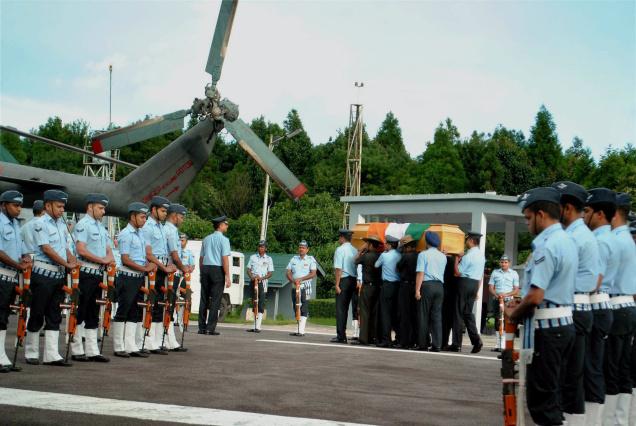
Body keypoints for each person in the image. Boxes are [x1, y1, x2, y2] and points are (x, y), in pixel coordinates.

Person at [506, 187, 577, 426]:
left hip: (548, 328)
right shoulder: (567, 240)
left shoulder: (547, 245)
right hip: (564, 324)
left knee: (542, 403)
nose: (527, 224)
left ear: (541, 215)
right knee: (553, 398)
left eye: (528, 218)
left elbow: (536, 296)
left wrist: (514, 313)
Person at [551, 181, 600, 424]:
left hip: (571, 309)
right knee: (572, 376)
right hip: (580, 308)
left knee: (566, 379)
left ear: (567, 207)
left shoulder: (572, 237)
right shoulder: (582, 235)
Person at [25, 189, 79, 367]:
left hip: (58, 275)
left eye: (63, 207)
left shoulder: (61, 225)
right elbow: (47, 248)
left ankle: (51, 354)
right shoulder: (41, 223)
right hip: (43, 274)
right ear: (47, 205)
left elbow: (64, 247)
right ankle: (31, 352)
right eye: (59, 206)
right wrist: (66, 263)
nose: (62, 210)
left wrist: (71, 258)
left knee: (54, 314)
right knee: (38, 312)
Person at [582, 187, 619, 423]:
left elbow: (593, 281)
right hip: (603, 305)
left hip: (595, 305)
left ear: (600, 214)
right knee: (595, 367)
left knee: (590, 370)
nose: (584, 216)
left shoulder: (599, 240)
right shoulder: (611, 237)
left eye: (587, 211)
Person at [602, 192, 636, 425]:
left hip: (615, 305)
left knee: (610, 368)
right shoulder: (628, 241)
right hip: (628, 304)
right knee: (624, 367)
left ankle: (611, 421)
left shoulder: (614, 240)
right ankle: (623, 420)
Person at [70, 193, 114, 363]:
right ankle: (76, 348)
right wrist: (102, 259)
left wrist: (108, 257)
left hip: (98, 273)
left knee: (93, 312)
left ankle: (92, 350)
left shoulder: (101, 227)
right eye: (100, 208)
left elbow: (109, 248)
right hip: (86, 271)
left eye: (104, 208)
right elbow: (81, 249)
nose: (103, 212)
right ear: (90, 207)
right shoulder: (83, 225)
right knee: (81, 309)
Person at [112, 202, 155, 358]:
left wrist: (148, 265)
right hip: (127, 276)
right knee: (123, 310)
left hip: (137, 277)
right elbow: (125, 259)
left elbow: (143, 256)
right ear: (133, 216)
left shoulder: (141, 234)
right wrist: (144, 268)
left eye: (145, 217)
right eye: (142, 217)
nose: (144, 220)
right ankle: (118, 346)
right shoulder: (125, 234)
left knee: (134, 312)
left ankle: (130, 346)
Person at [0, 191, 31, 372]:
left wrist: (26, 256)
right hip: (2, 273)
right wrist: (18, 265)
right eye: (15, 205)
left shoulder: (16, 226)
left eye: (20, 206)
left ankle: (2, 356)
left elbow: (22, 249)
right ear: (4, 205)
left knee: (3, 317)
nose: (19, 209)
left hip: (10, 277)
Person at [141, 196, 176, 354]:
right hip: (154, 268)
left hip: (162, 267)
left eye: (166, 211)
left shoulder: (161, 227)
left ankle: (155, 340)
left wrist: (168, 266)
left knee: (159, 305)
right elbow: (149, 254)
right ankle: (147, 339)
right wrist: (164, 267)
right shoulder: (147, 226)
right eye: (162, 210)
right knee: (150, 303)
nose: (164, 214)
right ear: (153, 210)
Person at [449, 231, 485, 353]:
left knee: (458, 313)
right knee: (468, 313)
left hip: (464, 283)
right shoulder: (481, 256)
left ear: (471, 241)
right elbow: (481, 276)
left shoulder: (468, 256)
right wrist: (477, 290)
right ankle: (476, 341)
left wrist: (457, 259)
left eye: (467, 240)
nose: (466, 242)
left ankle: (456, 344)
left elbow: (457, 272)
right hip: (474, 284)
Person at [414, 231, 447, 352]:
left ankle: (423, 344)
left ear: (427, 242)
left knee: (423, 315)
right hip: (439, 287)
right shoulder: (443, 256)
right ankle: (437, 344)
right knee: (437, 317)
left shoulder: (423, 255)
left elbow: (420, 273)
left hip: (427, 286)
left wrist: (417, 290)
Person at [162, 203, 189, 352]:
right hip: (171, 272)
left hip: (173, 272)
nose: (182, 219)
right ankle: (167, 339)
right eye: (181, 216)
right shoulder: (171, 231)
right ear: (174, 216)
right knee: (168, 306)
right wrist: (184, 268)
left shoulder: (170, 230)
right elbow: (174, 255)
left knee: (170, 306)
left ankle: (170, 339)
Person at [199, 215, 231, 335]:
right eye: (225, 224)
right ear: (221, 225)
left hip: (206, 268)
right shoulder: (224, 240)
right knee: (216, 299)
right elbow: (224, 259)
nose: (227, 226)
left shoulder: (206, 239)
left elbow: (201, 257)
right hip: (217, 269)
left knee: (204, 298)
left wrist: (201, 272)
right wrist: (227, 275)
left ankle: (201, 327)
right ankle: (210, 328)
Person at [353, 235, 383, 346]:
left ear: (370, 245)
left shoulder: (366, 256)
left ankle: (364, 339)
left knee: (364, 313)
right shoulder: (380, 256)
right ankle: (372, 337)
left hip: (367, 287)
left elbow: (355, 260)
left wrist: (361, 250)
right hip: (378, 287)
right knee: (374, 313)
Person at [488, 255, 519, 352]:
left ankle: (505, 345)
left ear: (509, 263)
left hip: (508, 300)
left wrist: (506, 295)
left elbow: (516, 290)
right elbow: (491, 287)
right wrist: (496, 294)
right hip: (497, 299)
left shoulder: (514, 273)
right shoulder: (495, 272)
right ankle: (498, 344)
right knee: (497, 319)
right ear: (499, 263)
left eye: (505, 262)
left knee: (506, 321)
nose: (503, 264)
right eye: (502, 262)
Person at [374, 236, 401, 348]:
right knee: (395, 313)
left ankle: (386, 340)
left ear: (389, 245)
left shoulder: (384, 255)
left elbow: (376, 265)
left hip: (387, 286)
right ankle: (398, 338)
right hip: (398, 286)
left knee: (385, 313)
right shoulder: (400, 255)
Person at [332, 229, 357, 344]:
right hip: (353, 280)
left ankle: (341, 336)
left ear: (342, 237)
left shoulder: (340, 250)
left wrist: (337, 284)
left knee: (341, 309)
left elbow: (338, 268)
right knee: (350, 308)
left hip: (344, 280)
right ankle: (348, 333)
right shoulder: (354, 250)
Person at [287, 240, 317, 337]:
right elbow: (288, 272)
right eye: (300, 247)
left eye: (303, 248)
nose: (301, 249)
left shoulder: (311, 259)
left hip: (305, 287)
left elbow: (313, 273)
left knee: (304, 307)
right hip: (295, 286)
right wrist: (293, 280)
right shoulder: (293, 259)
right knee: (296, 307)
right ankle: (298, 329)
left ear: (307, 250)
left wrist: (301, 279)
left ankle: (302, 330)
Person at [246, 240, 273, 333]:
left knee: (260, 303)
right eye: (259, 246)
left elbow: (270, 273)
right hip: (253, 281)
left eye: (262, 247)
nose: (261, 248)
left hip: (262, 282)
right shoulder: (253, 257)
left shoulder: (269, 259)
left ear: (266, 248)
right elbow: (248, 269)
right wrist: (252, 277)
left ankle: (258, 326)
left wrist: (262, 278)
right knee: (254, 303)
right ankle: (254, 326)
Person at [396, 235, 418, 349]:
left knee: (404, 315)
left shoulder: (406, 256)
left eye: (404, 247)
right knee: (414, 315)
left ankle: (404, 341)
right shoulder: (419, 255)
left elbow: (398, 267)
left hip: (405, 287)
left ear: (408, 247)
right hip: (415, 286)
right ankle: (413, 340)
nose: (403, 249)